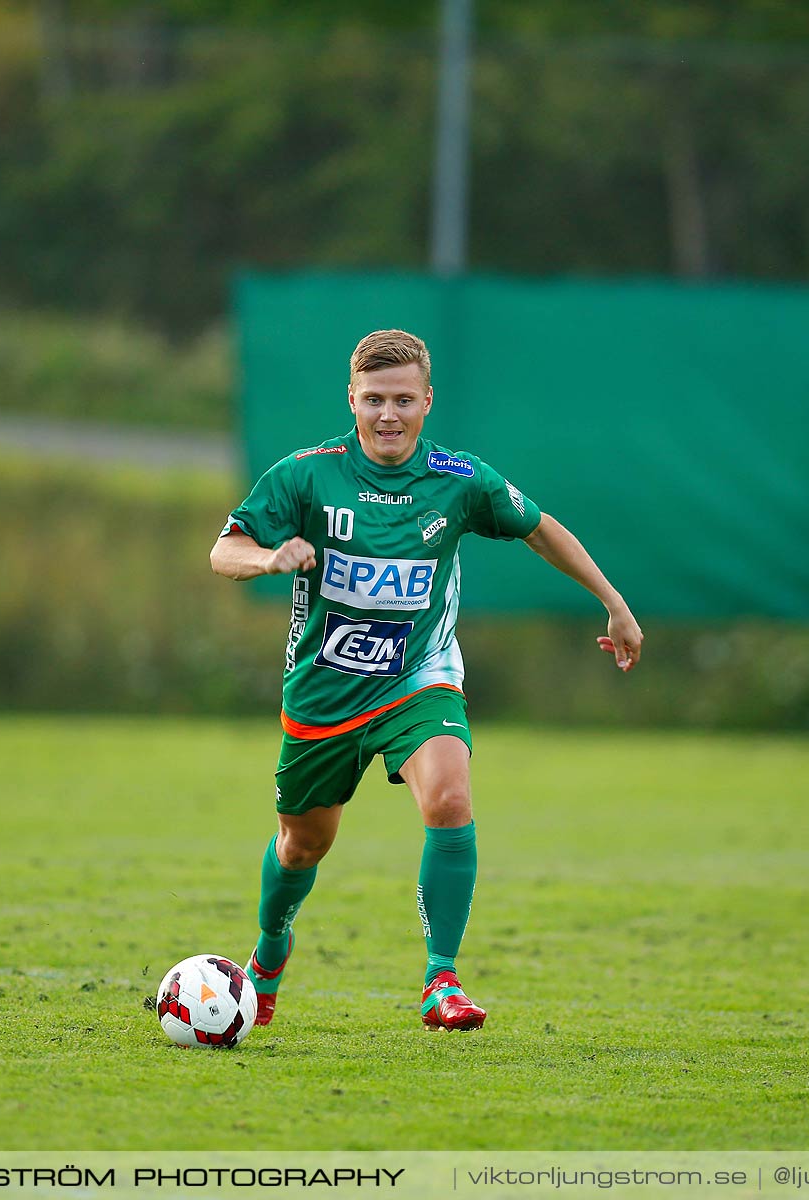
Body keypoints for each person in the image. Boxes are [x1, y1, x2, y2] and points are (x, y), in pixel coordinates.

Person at [210, 328, 643, 1031]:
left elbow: (540, 528)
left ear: (427, 401)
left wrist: (614, 603)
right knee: (302, 845)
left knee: (449, 797)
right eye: (374, 399)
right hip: (323, 694)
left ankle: (441, 978)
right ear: (351, 398)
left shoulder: (460, 479)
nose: (389, 414)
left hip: (419, 676)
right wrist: (266, 561)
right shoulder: (305, 475)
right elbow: (223, 548)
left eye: (403, 400)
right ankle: (266, 959)